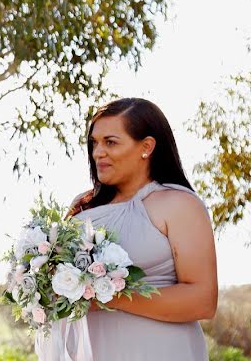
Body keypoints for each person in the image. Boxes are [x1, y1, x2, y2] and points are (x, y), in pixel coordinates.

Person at [68, 98, 217, 360]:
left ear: (146, 147)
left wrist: (107, 296)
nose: (98, 152)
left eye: (110, 142)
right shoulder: (82, 206)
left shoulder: (179, 204)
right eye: (95, 142)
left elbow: (203, 299)